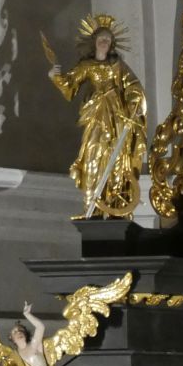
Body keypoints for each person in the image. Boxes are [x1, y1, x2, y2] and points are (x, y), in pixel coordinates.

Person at [49, 15, 147, 218]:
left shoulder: (118, 65)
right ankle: (91, 209)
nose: (104, 42)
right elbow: (70, 85)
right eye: (101, 38)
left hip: (117, 117)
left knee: (117, 157)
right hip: (95, 116)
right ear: (94, 42)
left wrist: (134, 102)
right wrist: (55, 76)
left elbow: (134, 86)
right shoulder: (86, 65)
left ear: (111, 44)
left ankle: (115, 206)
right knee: (93, 155)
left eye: (108, 40)